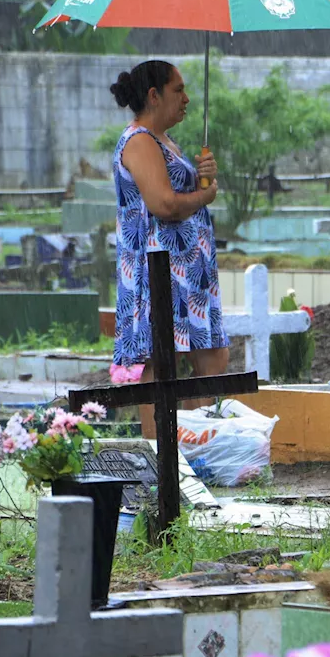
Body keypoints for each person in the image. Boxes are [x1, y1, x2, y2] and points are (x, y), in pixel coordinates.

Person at [109, 60, 229, 439]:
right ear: (153, 95)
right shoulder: (140, 141)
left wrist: (203, 173)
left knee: (210, 357)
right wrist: (205, 194)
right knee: (163, 364)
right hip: (161, 270)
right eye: (178, 90)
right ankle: (160, 455)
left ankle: (196, 447)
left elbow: (181, 194)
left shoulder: (163, 141)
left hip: (187, 271)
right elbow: (163, 204)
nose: (187, 98)